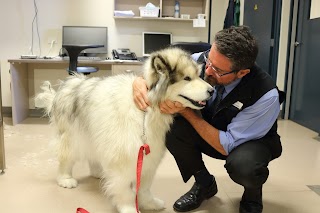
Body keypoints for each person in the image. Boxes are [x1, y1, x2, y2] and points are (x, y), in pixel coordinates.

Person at [133, 25, 284, 213]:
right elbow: (161, 74)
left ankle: (252, 195)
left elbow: (226, 144)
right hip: (212, 127)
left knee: (244, 166)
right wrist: (139, 81)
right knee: (171, 128)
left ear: (242, 72)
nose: (208, 71)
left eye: (218, 70)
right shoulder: (201, 60)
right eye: (209, 61)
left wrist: (186, 111)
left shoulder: (265, 95)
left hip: (248, 143)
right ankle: (205, 184)